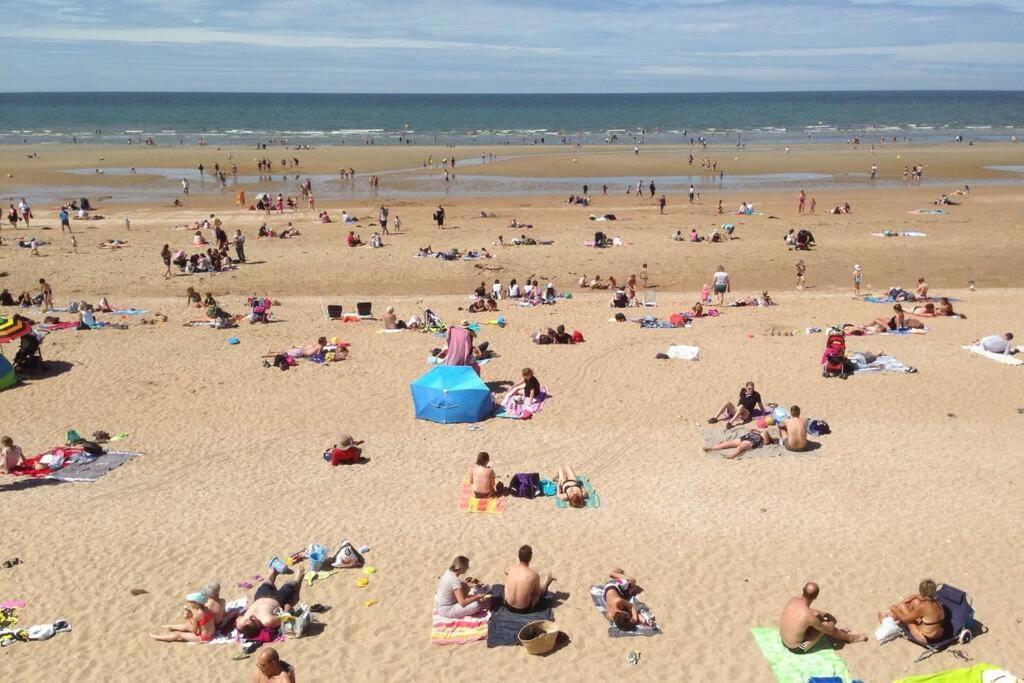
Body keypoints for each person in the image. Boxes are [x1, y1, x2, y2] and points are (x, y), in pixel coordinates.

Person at [779, 582, 867, 653]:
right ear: (815, 597)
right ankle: (850, 638)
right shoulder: (808, 616)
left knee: (816, 618)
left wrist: (823, 613)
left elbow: (808, 611)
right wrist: (832, 620)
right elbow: (829, 630)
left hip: (784, 641)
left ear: (803, 590)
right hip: (796, 648)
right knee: (825, 625)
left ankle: (842, 634)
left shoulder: (793, 600)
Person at [236, 563, 307, 638]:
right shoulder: (268, 621)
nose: (251, 616)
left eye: (247, 619)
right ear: (257, 627)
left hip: (260, 596)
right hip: (278, 599)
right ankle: (298, 577)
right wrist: (288, 610)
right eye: (252, 620)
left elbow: (237, 617)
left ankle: (271, 573)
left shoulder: (241, 623)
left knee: (267, 582)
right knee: (291, 585)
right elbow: (285, 617)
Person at [883, 579, 945, 643]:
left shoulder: (923, 607)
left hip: (926, 637)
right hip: (939, 634)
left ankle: (888, 620)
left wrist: (893, 608)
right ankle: (892, 617)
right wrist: (915, 596)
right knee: (915, 601)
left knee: (902, 607)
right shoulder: (937, 603)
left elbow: (905, 619)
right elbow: (917, 597)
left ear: (921, 592)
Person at [504, 545, 555, 612]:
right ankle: (547, 580)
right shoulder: (534, 575)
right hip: (524, 609)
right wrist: (546, 583)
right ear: (530, 558)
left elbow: (505, 570)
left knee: (507, 581)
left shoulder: (511, 568)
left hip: (508, 606)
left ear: (519, 556)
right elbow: (538, 593)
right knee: (536, 595)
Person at [149, 592, 217, 642]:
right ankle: (169, 627)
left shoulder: (198, 615)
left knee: (178, 634)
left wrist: (189, 619)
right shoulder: (206, 608)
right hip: (211, 633)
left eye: (190, 602)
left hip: (204, 638)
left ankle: (157, 637)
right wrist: (191, 618)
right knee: (186, 626)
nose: (189, 603)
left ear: (195, 603)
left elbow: (194, 631)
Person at [702, 427, 775, 459]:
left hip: (751, 442)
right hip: (745, 437)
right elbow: (751, 429)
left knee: (741, 446)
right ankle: (710, 448)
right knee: (727, 443)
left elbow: (765, 432)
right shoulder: (759, 433)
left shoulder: (764, 440)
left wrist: (761, 431)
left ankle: (732, 455)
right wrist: (756, 430)